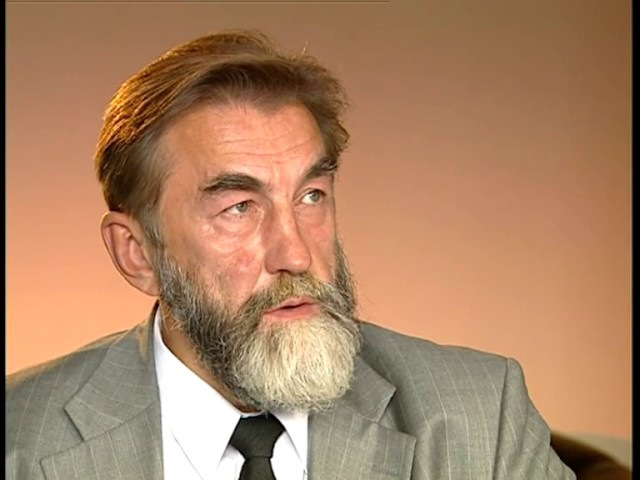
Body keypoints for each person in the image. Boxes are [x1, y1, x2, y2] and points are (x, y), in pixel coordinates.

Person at [5, 29, 576, 480]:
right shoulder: (20, 439)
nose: (296, 254)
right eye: (239, 207)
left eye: (311, 196)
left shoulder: (480, 417)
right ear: (137, 253)